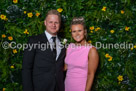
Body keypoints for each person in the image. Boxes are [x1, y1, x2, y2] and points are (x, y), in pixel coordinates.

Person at [22, 9, 66, 91]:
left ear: (59, 24)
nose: (53, 25)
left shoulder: (63, 43)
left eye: (56, 22)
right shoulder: (34, 40)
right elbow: (26, 68)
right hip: (40, 88)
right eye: (50, 22)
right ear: (45, 23)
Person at [64, 17, 99, 91]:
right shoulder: (70, 47)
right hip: (67, 86)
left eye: (79, 30)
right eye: (74, 31)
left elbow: (91, 75)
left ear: (85, 32)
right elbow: (65, 67)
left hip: (81, 88)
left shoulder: (91, 50)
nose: (77, 34)